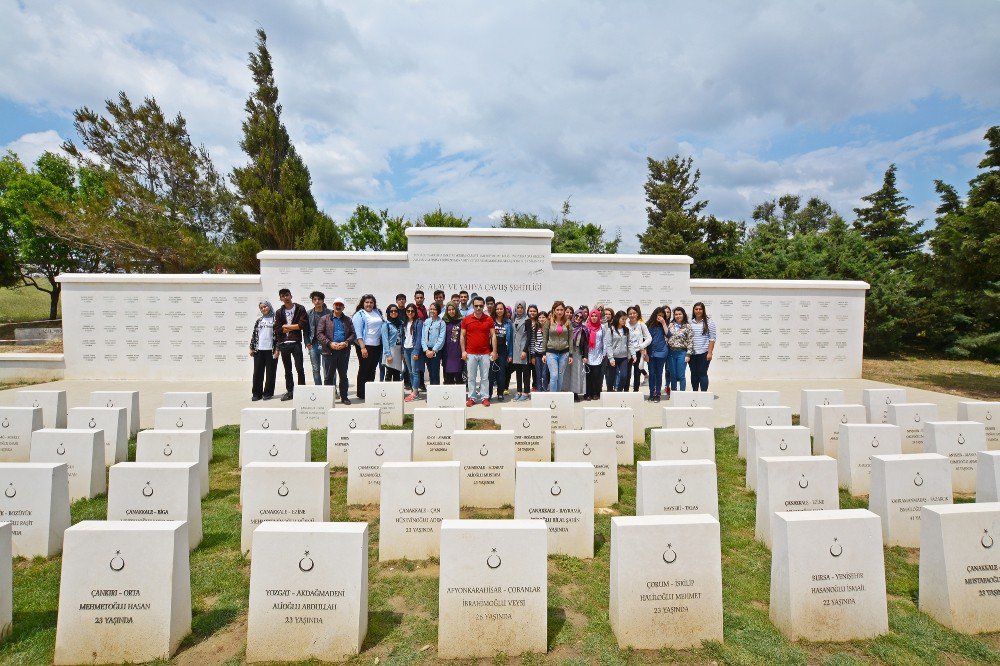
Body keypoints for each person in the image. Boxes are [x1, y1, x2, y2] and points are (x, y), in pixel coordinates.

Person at [316, 296, 356, 404]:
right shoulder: (324, 319)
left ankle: (344, 397)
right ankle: (328, 399)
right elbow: (319, 334)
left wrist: (346, 342)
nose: (338, 306)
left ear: (343, 307)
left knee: (343, 376)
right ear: (333, 306)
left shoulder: (348, 320)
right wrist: (330, 343)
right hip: (329, 351)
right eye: (336, 305)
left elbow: (353, 334)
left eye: (340, 305)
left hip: (343, 352)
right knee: (329, 376)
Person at [461, 295, 497, 406]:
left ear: (483, 306)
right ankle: (472, 397)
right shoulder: (466, 320)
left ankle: (484, 397)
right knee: (471, 377)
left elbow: (493, 335)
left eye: (481, 306)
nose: (478, 308)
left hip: (485, 353)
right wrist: (463, 351)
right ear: (473, 306)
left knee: (485, 377)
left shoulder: (489, 319)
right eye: (476, 306)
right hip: (470, 353)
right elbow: (462, 336)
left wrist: (494, 351)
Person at [273, 288, 308, 401]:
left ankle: (302, 391)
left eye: (287, 295)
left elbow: (302, 325)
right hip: (284, 344)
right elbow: (278, 329)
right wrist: (294, 326)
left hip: (296, 342)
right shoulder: (279, 312)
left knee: (299, 368)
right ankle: (290, 392)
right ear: (280, 298)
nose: (285, 298)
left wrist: (286, 326)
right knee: (287, 370)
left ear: (291, 296)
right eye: (283, 296)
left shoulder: (300, 308)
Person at [351, 294, 383, 400]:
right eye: (367, 302)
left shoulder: (377, 312)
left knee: (372, 369)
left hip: (377, 345)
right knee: (364, 368)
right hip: (365, 345)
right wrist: (362, 347)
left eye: (371, 302)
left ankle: (370, 391)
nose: (369, 304)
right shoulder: (359, 314)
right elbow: (358, 332)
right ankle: (361, 393)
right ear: (363, 303)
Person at [249, 300, 279, 401]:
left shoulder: (276, 320)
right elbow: (254, 335)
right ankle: (256, 393)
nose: (263, 309)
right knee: (257, 372)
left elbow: (279, 336)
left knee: (270, 373)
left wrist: (277, 349)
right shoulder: (259, 320)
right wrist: (252, 348)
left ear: (269, 307)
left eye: (265, 306)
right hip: (259, 350)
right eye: (261, 308)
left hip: (271, 350)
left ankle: (268, 393)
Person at [543, 302, 572, 392]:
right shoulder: (548, 322)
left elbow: (570, 339)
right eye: (557, 310)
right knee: (554, 375)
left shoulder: (568, 322)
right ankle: (553, 397)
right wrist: (544, 353)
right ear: (554, 310)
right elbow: (545, 338)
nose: (560, 312)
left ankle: (558, 396)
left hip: (564, 353)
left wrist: (571, 354)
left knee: (560, 375)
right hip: (551, 352)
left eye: (561, 310)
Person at [304, 291, 331, 386]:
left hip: (327, 345)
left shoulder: (330, 313)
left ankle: (332, 390)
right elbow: (305, 330)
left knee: (328, 369)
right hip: (313, 345)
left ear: (323, 301)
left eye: (319, 299)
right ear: (312, 301)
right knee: (315, 369)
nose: (317, 301)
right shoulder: (308, 313)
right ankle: (319, 390)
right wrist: (307, 343)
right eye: (315, 299)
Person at [489, 300, 513, 402]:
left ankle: (500, 393)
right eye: (497, 309)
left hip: (503, 349)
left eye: (501, 309)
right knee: (490, 373)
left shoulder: (508, 322)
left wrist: (510, 354)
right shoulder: (490, 321)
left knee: (501, 373)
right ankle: (488, 394)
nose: (499, 311)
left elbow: (511, 339)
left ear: (504, 310)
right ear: (495, 310)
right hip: (491, 349)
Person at [689, 301, 717, 391]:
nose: (698, 311)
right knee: (693, 373)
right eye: (696, 309)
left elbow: (712, 339)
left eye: (700, 309)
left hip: (704, 353)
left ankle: (704, 394)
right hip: (692, 353)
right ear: (694, 310)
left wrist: (710, 353)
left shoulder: (709, 322)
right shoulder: (690, 322)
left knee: (702, 373)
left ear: (703, 310)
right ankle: (695, 393)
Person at [645, 306, 670, 402]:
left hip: (662, 353)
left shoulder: (666, 324)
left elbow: (669, 335)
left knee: (659, 374)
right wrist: (645, 353)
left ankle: (658, 394)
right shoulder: (648, 325)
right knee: (652, 374)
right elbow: (645, 340)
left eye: (662, 316)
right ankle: (652, 393)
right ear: (655, 315)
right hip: (651, 353)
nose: (660, 317)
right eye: (659, 315)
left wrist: (663, 323)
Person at [564, 306, 589, 400]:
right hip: (567, 353)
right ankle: (566, 392)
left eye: (580, 317)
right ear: (574, 316)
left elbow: (586, 344)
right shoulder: (567, 326)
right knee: (566, 374)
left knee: (576, 374)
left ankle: (574, 393)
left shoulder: (584, 329)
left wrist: (585, 356)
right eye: (576, 316)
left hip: (578, 353)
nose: (578, 318)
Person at [667, 306, 694, 392]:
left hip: (682, 353)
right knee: (673, 374)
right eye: (676, 314)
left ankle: (682, 394)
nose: (678, 316)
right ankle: (674, 393)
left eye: (680, 314)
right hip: (671, 353)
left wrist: (688, 354)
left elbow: (690, 341)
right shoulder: (670, 325)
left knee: (681, 375)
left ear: (683, 315)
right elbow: (666, 337)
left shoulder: (687, 326)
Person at [626, 305, 651, 393]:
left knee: (637, 372)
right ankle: (626, 391)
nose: (632, 315)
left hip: (638, 352)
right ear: (627, 315)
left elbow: (649, 338)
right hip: (627, 352)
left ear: (637, 314)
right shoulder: (625, 324)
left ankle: (636, 391)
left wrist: (642, 346)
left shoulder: (641, 324)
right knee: (627, 373)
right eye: (630, 314)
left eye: (634, 313)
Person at [402, 303, 424, 402]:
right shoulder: (405, 322)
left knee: (415, 372)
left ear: (415, 312)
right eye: (408, 311)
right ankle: (414, 391)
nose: (410, 313)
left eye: (412, 311)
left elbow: (419, 338)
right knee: (410, 372)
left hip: (414, 349)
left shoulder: (418, 322)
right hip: (406, 349)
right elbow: (404, 337)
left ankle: (414, 393)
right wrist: (403, 351)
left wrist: (416, 352)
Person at [510, 301, 532, 401]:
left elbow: (529, 337)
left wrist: (525, 350)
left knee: (526, 372)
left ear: (524, 309)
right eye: (518, 307)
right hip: (515, 349)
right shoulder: (514, 319)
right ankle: (519, 391)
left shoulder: (527, 320)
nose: (519, 309)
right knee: (518, 372)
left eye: (521, 307)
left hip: (523, 349)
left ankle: (526, 392)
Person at [421, 301, 446, 386]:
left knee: (435, 372)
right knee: (430, 371)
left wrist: (433, 351)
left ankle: (435, 393)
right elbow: (423, 337)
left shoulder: (441, 323)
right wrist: (426, 350)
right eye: (431, 309)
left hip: (436, 351)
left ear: (438, 310)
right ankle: (431, 392)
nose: (432, 311)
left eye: (434, 309)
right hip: (427, 350)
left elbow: (441, 339)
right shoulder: (426, 321)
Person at [584, 308, 606, 400]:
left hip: (598, 354)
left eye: (595, 316)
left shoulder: (602, 327)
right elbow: (584, 341)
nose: (593, 318)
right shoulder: (586, 327)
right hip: (588, 354)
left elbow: (604, 340)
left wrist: (604, 353)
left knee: (597, 375)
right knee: (588, 375)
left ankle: (596, 393)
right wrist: (584, 355)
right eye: (592, 316)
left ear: (598, 317)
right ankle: (588, 393)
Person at [605, 310, 630, 391]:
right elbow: (608, 345)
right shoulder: (611, 329)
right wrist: (611, 358)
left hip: (624, 357)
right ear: (618, 318)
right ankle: (609, 392)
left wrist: (633, 355)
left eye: (625, 319)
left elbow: (630, 343)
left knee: (624, 376)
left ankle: (619, 391)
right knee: (611, 378)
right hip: (613, 357)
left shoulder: (626, 330)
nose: (624, 321)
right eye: (622, 319)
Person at [441, 303, 464, 385]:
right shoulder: (443, 322)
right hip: (446, 353)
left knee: (458, 376)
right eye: (449, 310)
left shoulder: (461, 321)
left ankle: (459, 396)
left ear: (456, 310)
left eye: (453, 309)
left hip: (458, 352)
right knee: (448, 377)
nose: (451, 311)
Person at [381, 304, 404, 382]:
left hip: (398, 350)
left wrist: (402, 352)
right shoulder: (386, 325)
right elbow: (385, 340)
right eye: (391, 311)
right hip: (391, 350)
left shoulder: (401, 323)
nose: (394, 312)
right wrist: (388, 355)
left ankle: (396, 392)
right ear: (388, 312)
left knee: (397, 372)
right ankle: (387, 392)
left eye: (395, 311)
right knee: (389, 372)